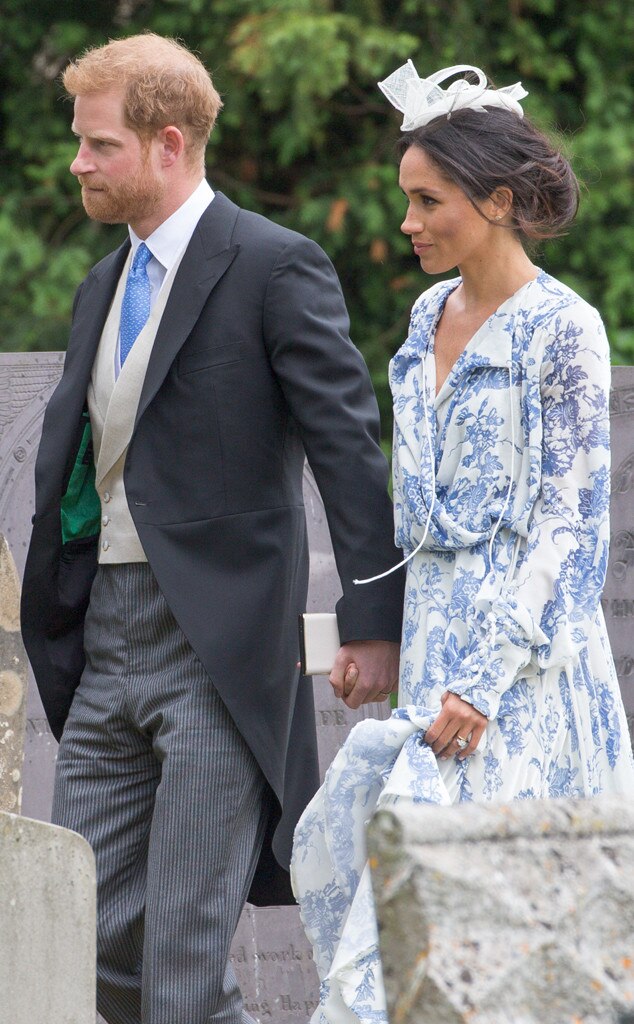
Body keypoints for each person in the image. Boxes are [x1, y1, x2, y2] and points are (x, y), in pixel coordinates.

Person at [19, 33, 405, 1024]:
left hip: (218, 647)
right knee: (85, 929)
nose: (78, 163)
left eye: (98, 144)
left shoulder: (276, 266)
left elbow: (346, 447)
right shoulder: (101, 287)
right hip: (103, 641)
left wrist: (374, 616)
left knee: (186, 947)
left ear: (168, 143)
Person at [292, 61, 634, 1024]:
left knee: (477, 963)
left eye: (427, 200)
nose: (407, 222)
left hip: (520, 683)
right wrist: (382, 634)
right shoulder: (421, 316)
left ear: (498, 199)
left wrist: (480, 681)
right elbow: (413, 520)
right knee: (425, 954)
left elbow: (570, 528)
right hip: (433, 661)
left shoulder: (564, 328)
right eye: (406, 199)